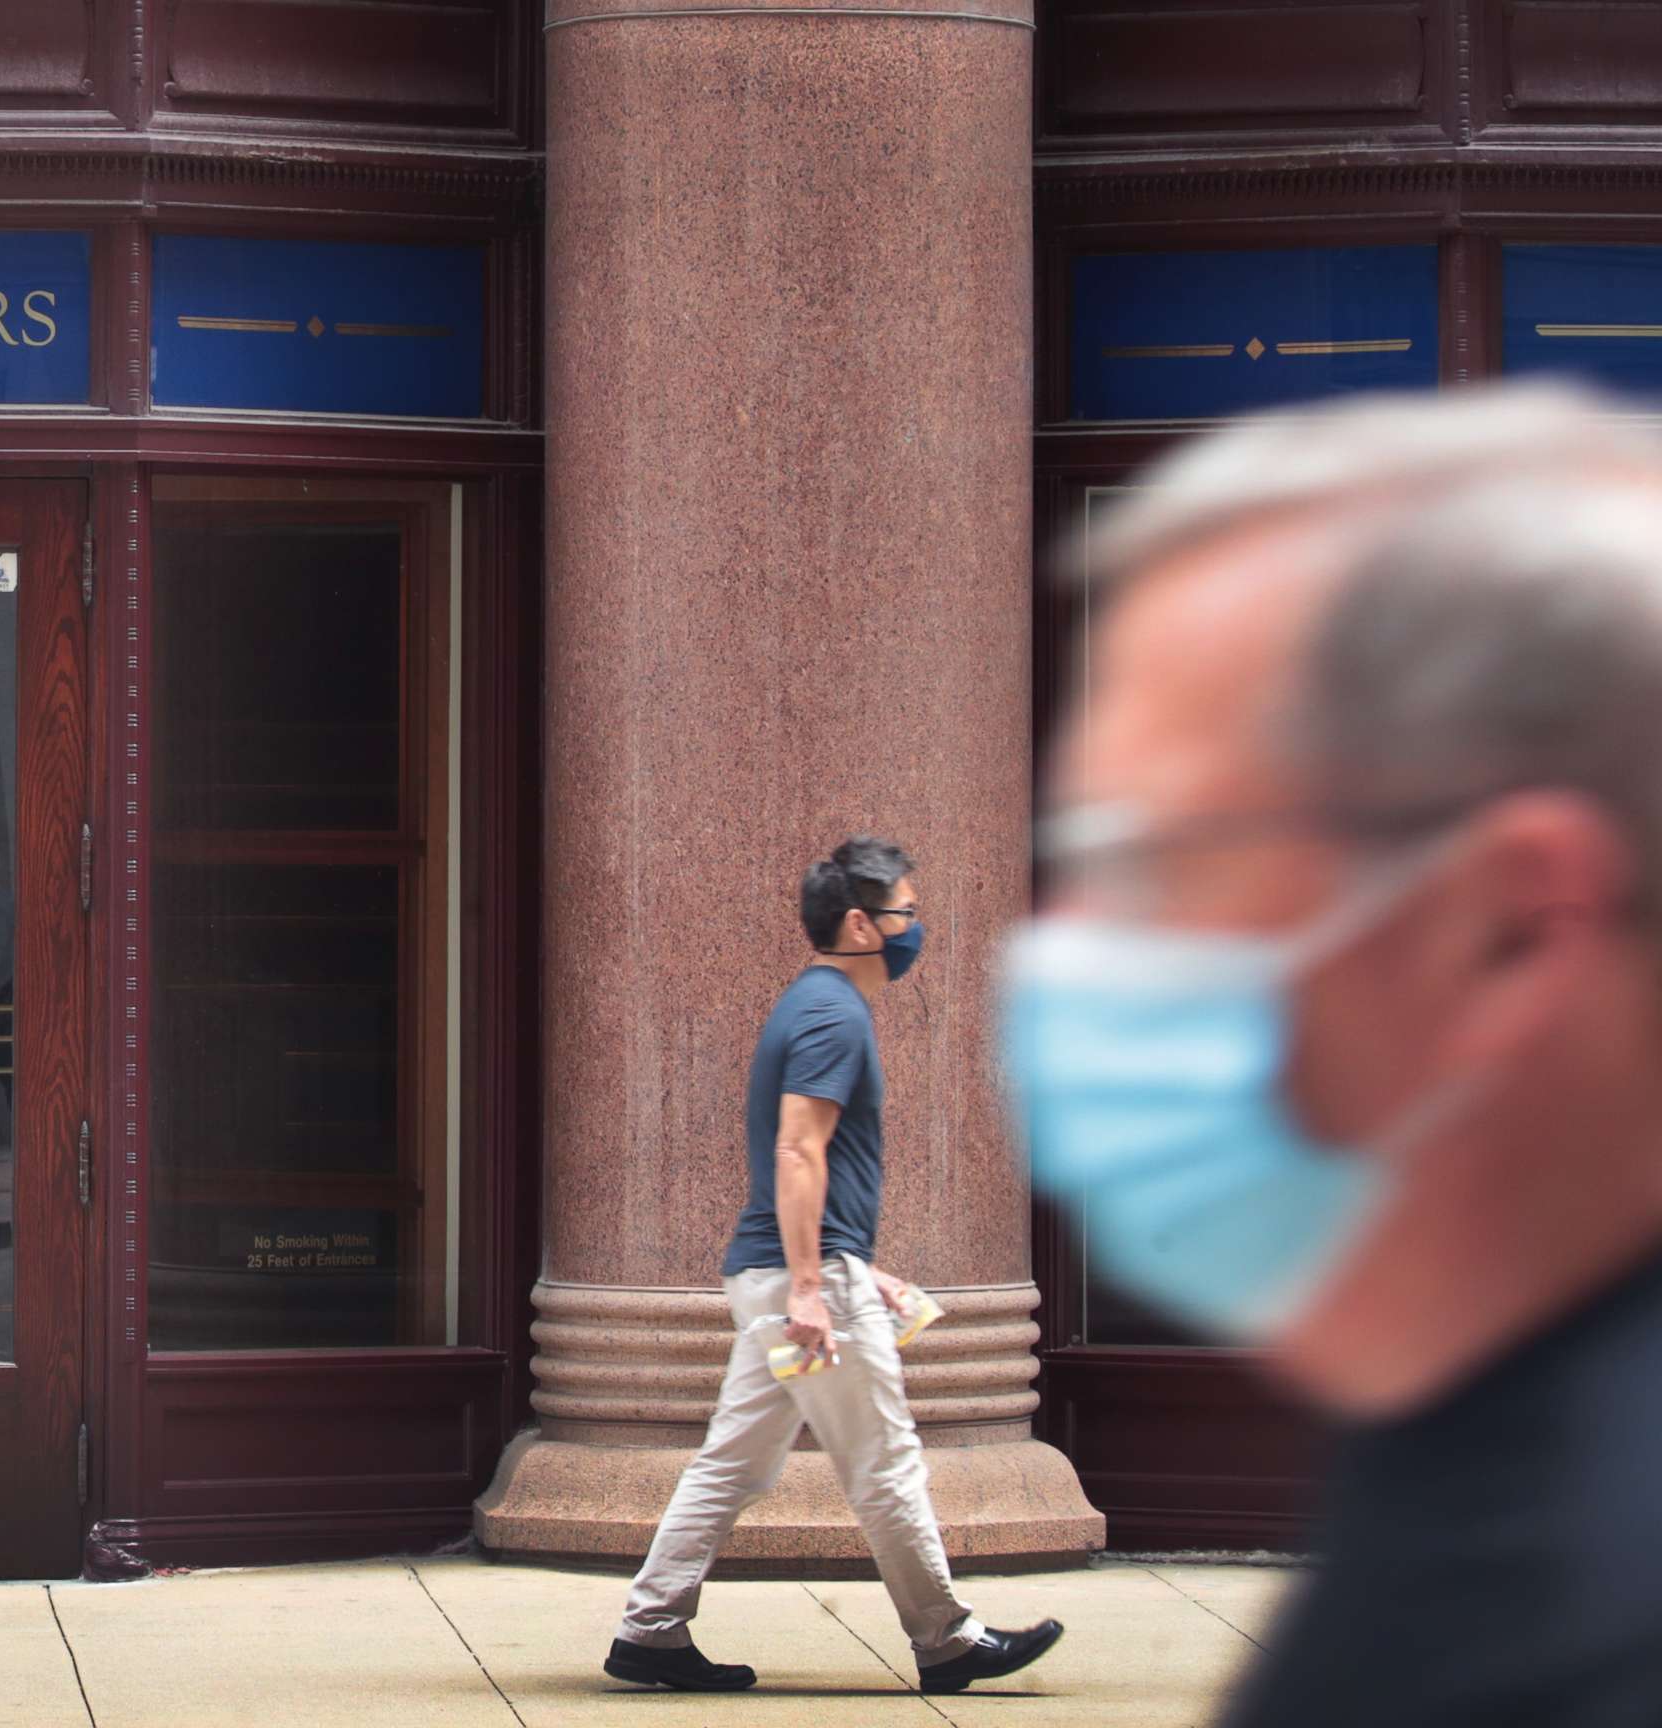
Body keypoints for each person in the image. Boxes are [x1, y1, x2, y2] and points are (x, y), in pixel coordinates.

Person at [1000, 382, 1662, 1726]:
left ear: (1514, 925)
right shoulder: (1472, 1445)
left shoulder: (1574, 1633)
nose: (1061, 947)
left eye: (1146, 861)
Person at [607, 837, 1064, 1696]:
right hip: (800, 1287)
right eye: (905, 913)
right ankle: (948, 1638)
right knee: (884, 1459)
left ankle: (650, 1631)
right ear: (860, 923)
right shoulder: (831, 1015)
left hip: (779, 1276)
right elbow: (797, 1150)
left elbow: (814, 1160)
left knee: (732, 1465)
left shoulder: (818, 1005)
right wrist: (817, 1287)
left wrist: (858, 1264)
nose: (913, 930)